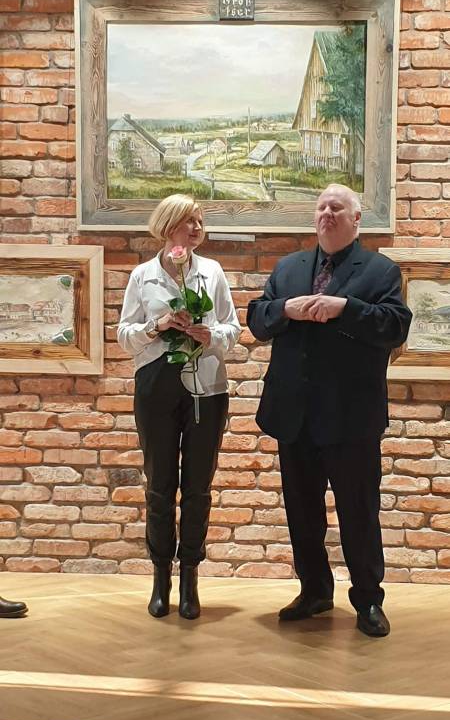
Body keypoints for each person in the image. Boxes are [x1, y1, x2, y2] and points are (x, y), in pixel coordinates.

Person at [247, 184, 412, 638]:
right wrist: (286, 308)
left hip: (350, 417)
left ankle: (368, 600)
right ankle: (315, 591)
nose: (326, 213)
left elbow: (396, 326)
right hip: (293, 416)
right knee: (302, 514)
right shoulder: (289, 267)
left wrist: (346, 308)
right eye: (321, 207)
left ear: (356, 219)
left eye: (336, 208)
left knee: (358, 513)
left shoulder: (380, 270)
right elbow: (257, 319)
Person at [118, 194, 240, 620]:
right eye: (190, 221)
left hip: (207, 387)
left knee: (198, 487)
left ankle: (190, 577)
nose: (197, 228)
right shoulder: (142, 276)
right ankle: (160, 578)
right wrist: (158, 326)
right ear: (169, 226)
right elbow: (124, 335)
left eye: (200, 221)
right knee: (159, 485)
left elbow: (232, 328)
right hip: (156, 385)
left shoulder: (212, 272)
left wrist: (211, 336)